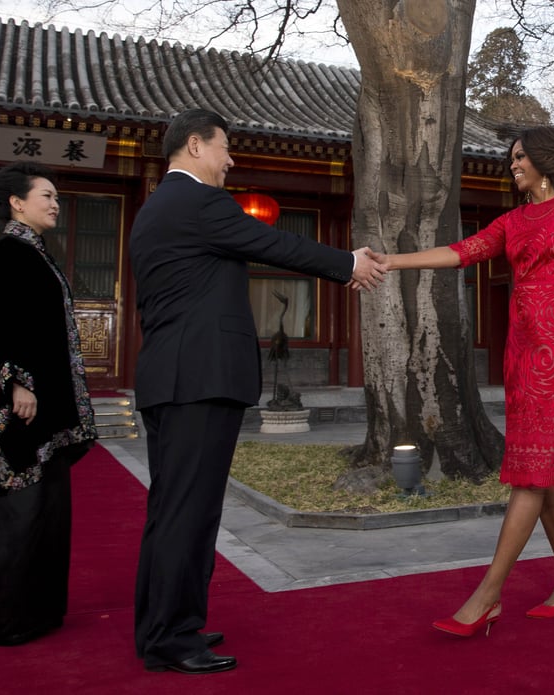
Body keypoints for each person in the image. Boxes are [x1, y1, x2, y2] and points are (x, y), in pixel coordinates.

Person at [370, 125, 554, 637]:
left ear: (545, 160)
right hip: (523, 350)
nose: (513, 165)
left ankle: (488, 594)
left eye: (520, 156)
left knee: (533, 472)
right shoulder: (512, 221)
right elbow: (460, 252)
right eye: (512, 157)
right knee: (540, 464)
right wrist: (393, 261)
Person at [128, 108, 386, 674]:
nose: (231, 160)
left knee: (171, 508)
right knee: (188, 512)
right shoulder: (197, 202)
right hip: (197, 379)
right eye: (225, 148)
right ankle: (173, 637)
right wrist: (348, 262)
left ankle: (163, 625)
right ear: (195, 146)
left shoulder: (154, 210)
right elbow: (272, 244)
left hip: (169, 378)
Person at [0, 161, 98, 645]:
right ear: (16, 201)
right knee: (17, 510)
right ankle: (3, 619)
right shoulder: (7, 254)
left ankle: (37, 612)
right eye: (46, 195)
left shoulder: (37, 253)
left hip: (42, 407)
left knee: (45, 511)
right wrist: (17, 382)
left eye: (56, 196)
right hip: (18, 407)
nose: (55, 204)